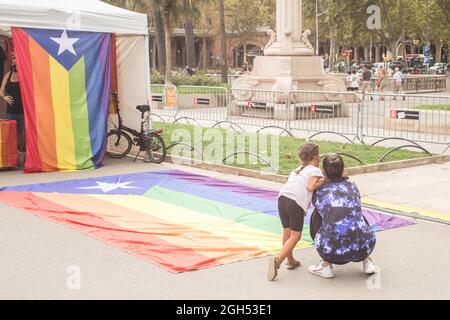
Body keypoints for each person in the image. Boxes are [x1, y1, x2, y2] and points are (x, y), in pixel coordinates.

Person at [308, 154, 378, 279]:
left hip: (332, 252)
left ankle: (326, 265)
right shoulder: (353, 186)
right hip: (364, 247)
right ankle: (367, 260)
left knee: (317, 215)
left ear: (324, 171)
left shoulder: (319, 191)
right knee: (355, 214)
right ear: (342, 169)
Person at [268, 143, 325, 281]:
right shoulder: (315, 171)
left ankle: (291, 261)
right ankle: (277, 260)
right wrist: (321, 182)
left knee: (286, 232)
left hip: (282, 198)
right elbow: (311, 186)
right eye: (319, 157)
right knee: (295, 236)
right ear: (316, 157)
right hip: (295, 203)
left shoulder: (297, 170)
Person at [0, 55, 25, 152]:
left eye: (16, 63)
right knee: (11, 132)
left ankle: (22, 152)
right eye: (13, 62)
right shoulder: (8, 75)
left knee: (23, 132)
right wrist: (4, 97)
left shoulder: (24, 74)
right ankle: (12, 154)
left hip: (23, 110)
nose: (14, 64)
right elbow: (1, 89)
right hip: (11, 111)